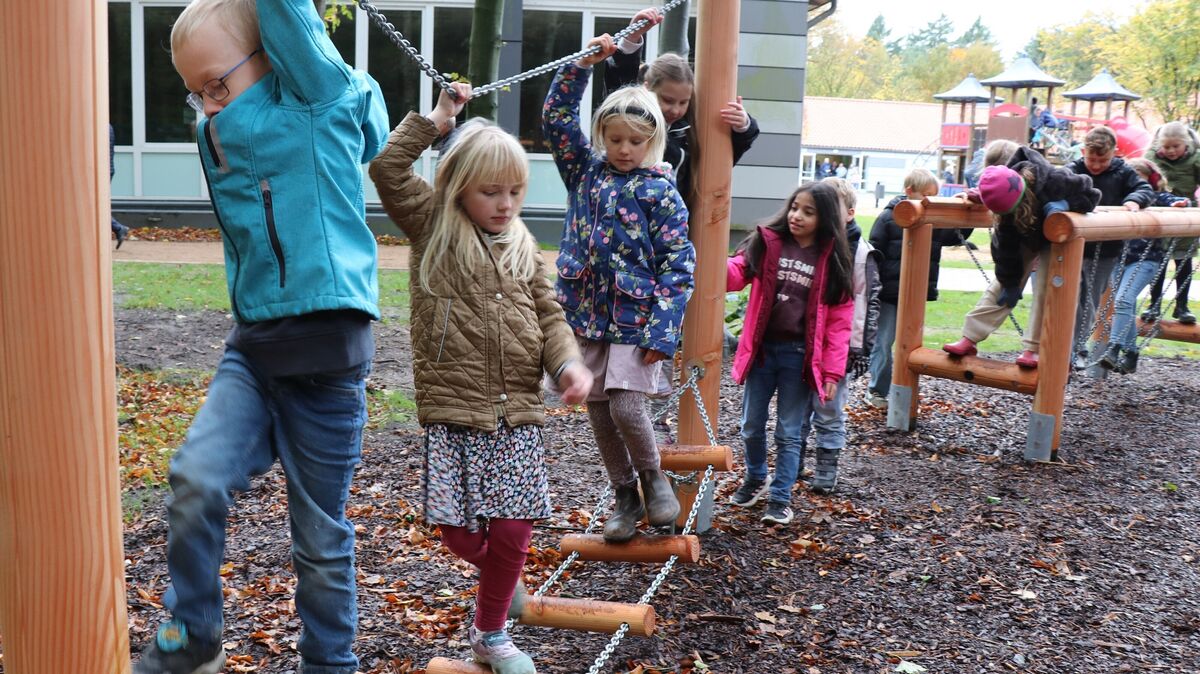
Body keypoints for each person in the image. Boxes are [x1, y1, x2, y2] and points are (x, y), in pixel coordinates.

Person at [134, 0, 389, 672]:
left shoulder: (314, 99)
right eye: (196, 94)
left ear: (278, 57)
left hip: (326, 355)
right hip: (254, 349)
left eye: (218, 85)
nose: (209, 106)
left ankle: (329, 662)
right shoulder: (225, 132)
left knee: (316, 534)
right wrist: (219, 96)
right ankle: (193, 633)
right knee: (194, 476)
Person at [369, 83, 593, 674]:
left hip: (516, 412)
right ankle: (502, 579)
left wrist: (567, 365)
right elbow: (388, 168)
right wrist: (438, 121)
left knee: (514, 528)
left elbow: (549, 316)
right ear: (457, 187)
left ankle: (490, 633)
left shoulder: (523, 246)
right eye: (491, 192)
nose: (505, 203)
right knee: (460, 536)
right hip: (455, 412)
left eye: (515, 191)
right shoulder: (433, 226)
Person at [543, 36, 696, 543]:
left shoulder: (660, 192)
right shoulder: (585, 173)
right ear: (603, 137)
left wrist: (664, 330)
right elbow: (557, 119)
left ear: (651, 140)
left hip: (637, 319)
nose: (624, 150)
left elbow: (678, 265)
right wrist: (581, 65)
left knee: (629, 405)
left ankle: (654, 481)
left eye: (635, 141)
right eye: (615, 139)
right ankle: (624, 496)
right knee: (600, 411)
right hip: (586, 316)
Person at [602, 7, 760, 443]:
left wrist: (743, 126)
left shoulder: (688, 132)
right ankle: (639, 398)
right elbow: (616, 87)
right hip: (628, 246)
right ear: (647, 89)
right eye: (666, 99)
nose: (672, 109)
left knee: (671, 322)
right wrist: (632, 39)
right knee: (638, 323)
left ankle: (665, 408)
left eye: (681, 102)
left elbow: (728, 154)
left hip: (670, 242)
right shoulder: (637, 123)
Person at [726, 182, 854, 524]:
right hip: (763, 353)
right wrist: (711, 263)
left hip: (799, 357)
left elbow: (839, 325)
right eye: (795, 207)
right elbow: (737, 273)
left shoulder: (833, 260)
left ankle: (781, 497)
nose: (797, 216)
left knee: (789, 430)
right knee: (750, 425)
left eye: (808, 212)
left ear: (824, 218)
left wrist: (831, 373)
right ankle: (755, 477)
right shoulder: (768, 243)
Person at [943, 149, 1101, 369]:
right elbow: (1005, 251)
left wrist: (1066, 205)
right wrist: (1010, 282)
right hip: (1027, 235)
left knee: (1048, 288)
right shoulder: (1006, 212)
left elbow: (1091, 194)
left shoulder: (1055, 181)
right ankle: (970, 337)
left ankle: (1033, 349)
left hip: (1056, 236)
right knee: (1001, 286)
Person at [865, 168, 969, 408]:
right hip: (889, 294)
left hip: (915, 292)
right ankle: (878, 391)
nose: (929, 201)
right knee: (884, 341)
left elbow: (956, 234)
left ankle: (903, 389)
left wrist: (964, 210)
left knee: (911, 344)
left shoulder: (933, 217)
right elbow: (874, 254)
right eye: (926, 195)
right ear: (909, 192)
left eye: (935, 195)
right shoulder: (888, 218)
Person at [806, 177, 880, 492]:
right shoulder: (808, 242)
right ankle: (792, 463)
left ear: (849, 213)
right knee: (795, 410)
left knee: (828, 408)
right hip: (804, 340)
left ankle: (825, 469)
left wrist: (857, 349)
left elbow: (866, 303)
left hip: (838, 346)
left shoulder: (860, 254)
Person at [1068, 126, 1154, 369]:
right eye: (1091, 159)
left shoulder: (1122, 172)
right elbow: (1057, 185)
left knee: (1090, 300)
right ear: (1083, 152)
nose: (1095, 166)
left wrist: (1133, 201)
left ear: (1114, 154)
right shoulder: (1074, 170)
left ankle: (1077, 346)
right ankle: (1067, 346)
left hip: (1105, 250)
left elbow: (1144, 189)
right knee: (1068, 297)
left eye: (1102, 160)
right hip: (1073, 244)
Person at [1099, 157, 1190, 374]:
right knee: (1124, 305)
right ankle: (1131, 354)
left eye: (1140, 181)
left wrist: (1180, 203)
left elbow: (1172, 200)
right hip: (1118, 259)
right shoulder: (1121, 201)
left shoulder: (1155, 198)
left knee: (1123, 300)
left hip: (1146, 260)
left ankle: (1113, 348)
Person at [1144, 122, 1200, 325]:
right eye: (1166, 147)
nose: (1170, 151)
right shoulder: (1152, 157)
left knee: (1183, 261)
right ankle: (1154, 304)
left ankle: (1182, 306)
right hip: (1160, 213)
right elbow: (1140, 178)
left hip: (1187, 215)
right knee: (1158, 262)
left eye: (1175, 146)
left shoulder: (1196, 157)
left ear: (1186, 144)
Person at [109, 124, 130, 248]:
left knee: (91, 206)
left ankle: (119, 228)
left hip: (101, 171)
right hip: (106, 169)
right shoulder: (107, 126)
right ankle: (118, 229)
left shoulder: (98, 126)